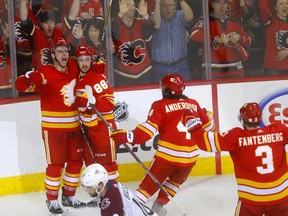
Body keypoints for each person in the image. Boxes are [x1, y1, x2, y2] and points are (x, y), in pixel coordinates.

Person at [110, 74, 215, 216]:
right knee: (174, 183)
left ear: (166, 90)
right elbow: (210, 128)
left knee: (146, 188)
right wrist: (209, 116)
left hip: (167, 157)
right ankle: (158, 207)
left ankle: (133, 212)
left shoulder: (160, 106)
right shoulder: (194, 104)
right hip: (190, 159)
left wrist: (129, 136)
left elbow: (147, 131)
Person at [15, 37, 86, 215]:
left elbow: (89, 71)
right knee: (56, 165)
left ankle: (68, 196)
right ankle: (52, 200)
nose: (64, 54)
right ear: (52, 54)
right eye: (60, 51)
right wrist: (30, 78)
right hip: (53, 130)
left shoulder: (72, 67)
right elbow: (19, 86)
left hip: (75, 128)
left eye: (65, 50)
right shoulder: (45, 73)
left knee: (76, 162)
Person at [183, 102, 288, 216]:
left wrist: (193, 122)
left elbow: (205, 142)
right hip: (281, 198)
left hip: (251, 200)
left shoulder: (235, 137)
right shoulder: (280, 130)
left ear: (242, 120)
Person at [73, 45, 119, 207]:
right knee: (93, 164)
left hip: (102, 128)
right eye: (81, 60)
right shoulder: (78, 78)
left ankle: (114, 195)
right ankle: (100, 195)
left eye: (87, 60)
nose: (84, 63)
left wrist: (93, 102)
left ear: (92, 60)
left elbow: (110, 103)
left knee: (107, 164)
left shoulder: (97, 78)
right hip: (88, 128)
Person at [191, 0, 251, 79]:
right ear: (213, 5)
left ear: (227, 5)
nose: (222, 6)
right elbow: (194, 35)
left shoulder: (234, 22)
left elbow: (248, 41)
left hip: (236, 71)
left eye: (224, 3)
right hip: (213, 71)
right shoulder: (204, 20)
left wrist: (239, 37)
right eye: (218, 3)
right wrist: (218, 39)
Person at [19, 0, 81, 70]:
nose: (49, 26)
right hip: (41, 75)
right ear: (41, 24)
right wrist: (23, 1)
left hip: (57, 75)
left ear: (55, 23)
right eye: (46, 23)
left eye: (51, 22)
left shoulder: (59, 32)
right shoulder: (37, 34)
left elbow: (72, 15)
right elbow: (24, 19)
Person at [81, 163, 158, 216]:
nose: (87, 191)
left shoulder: (111, 208)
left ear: (100, 185)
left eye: (89, 188)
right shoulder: (112, 184)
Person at [112, 0, 156, 86]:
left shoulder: (141, 23)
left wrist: (146, 16)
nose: (132, 8)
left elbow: (152, 30)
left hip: (144, 74)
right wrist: (120, 14)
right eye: (128, 5)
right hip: (122, 76)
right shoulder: (116, 25)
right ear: (121, 6)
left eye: (133, 5)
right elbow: (111, 31)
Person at [151, 0, 193, 82]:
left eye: (171, 5)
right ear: (160, 6)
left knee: (185, 92)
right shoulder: (155, 15)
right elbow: (156, 24)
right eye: (164, 5)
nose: (168, 8)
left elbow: (190, 17)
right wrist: (157, 3)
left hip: (180, 66)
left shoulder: (180, 15)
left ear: (175, 6)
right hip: (159, 68)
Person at [257, 0, 288, 75]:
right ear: (276, 7)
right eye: (281, 4)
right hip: (273, 69)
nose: (285, 6)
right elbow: (263, 8)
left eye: (287, 3)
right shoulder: (270, 21)